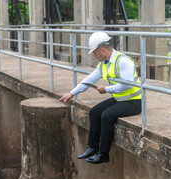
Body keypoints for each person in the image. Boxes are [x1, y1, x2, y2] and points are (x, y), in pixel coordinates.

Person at [59, 31, 142, 164]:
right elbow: (88, 80)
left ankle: (103, 154)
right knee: (94, 112)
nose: (94, 55)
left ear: (102, 50)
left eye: (95, 52)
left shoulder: (124, 61)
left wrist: (106, 89)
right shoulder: (103, 64)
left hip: (134, 101)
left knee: (106, 116)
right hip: (120, 99)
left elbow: (127, 85)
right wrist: (72, 93)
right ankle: (92, 147)